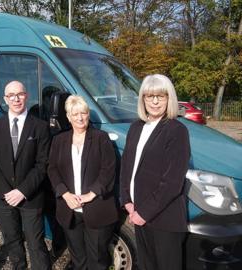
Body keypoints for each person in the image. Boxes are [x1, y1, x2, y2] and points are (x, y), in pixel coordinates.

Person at [120, 74, 190, 270]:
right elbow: (127, 167)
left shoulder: (177, 131)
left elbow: (172, 182)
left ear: (170, 99)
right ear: (143, 99)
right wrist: (126, 200)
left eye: (161, 96)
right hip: (138, 214)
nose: (155, 101)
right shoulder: (136, 128)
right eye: (150, 96)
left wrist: (144, 212)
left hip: (164, 219)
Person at [0, 81, 51, 269]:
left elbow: (42, 164)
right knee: (12, 242)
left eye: (20, 94)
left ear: (26, 96)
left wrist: (22, 191)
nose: (16, 98)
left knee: (36, 244)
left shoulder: (40, 127)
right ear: (5, 99)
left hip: (31, 196)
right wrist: (8, 191)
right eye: (11, 95)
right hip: (3, 197)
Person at [47, 95, 118, 270]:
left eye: (83, 113)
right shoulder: (59, 140)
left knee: (98, 261)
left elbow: (108, 170)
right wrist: (65, 194)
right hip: (70, 209)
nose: (80, 118)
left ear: (88, 115)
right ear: (68, 117)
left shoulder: (101, 138)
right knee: (78, 260)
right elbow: (52, 169)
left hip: (97, 208)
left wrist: (90, 194)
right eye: (75, 114)